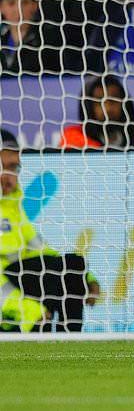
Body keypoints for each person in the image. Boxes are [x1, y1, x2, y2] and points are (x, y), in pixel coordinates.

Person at [1, 129, 101, 332]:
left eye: (15, 168)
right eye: (7, 167)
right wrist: (28, 310)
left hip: (24, 286)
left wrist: (85, 277)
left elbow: (42, 252)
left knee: (74, 264)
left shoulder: (12, 207)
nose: (12, 176)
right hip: (12, 307)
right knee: (45, 282)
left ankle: (70, 347)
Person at [59, 75, 134, 150]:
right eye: (99, 102)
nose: (107, 109)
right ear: (88, 107)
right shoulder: (73, 138)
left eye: (113, 100)